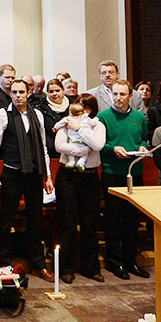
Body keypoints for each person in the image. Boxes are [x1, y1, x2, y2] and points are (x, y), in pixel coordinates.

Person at [0, 79, 55, 282]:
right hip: (12, 174)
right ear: (10, 94)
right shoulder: (3, 114)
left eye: (21, 92)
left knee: (35, 220)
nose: (18, 95)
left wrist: (48, 176)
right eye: (14, 92)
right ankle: (4, 263)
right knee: (6, 221)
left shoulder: (38, 115)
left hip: (34, 174)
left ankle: (38, 264)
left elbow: (43, 147)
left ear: (28, 93)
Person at [97, 79, 150, 280]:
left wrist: (143, 146)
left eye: (122, 94)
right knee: (112, 218)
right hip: (112, 171)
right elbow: (100, 144)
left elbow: (143, 138)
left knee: (131, 218)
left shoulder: (139, 117)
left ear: (130, 96)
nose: (118, 98)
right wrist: (113, 148)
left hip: (134, 172)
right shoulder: (103, 117)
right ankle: (115, 261)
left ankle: (130, 260)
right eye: (115, 94)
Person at [54, 93, 106, 284]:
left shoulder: (97, 125)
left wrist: (80, 130)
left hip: (90, 177)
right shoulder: (66, 122)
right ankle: (67, 268)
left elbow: (98, 145)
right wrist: (84, 150)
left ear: (91, 111)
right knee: (67, 223)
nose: (81, 112)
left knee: (89, 223)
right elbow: (59, 146)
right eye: (79, 107)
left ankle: (90, 267)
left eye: (85, 109)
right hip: (67, 177)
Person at [53, 102, 98, 170]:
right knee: (85, 154)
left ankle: (71, 161)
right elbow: (93, 122)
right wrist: (97, 119)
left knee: (70, 153)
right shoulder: (85, 118)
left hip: (73, 141)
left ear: (70, 112)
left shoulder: (68, 119)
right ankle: (81, 162)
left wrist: (55, 127)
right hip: (83, 141)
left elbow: (60, 123)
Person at [36, 79, 69, 158]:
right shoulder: (41, 108)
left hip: (69, 149)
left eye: (57, 90)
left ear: (63, 90)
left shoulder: (72, 106)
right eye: (51, 91)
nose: (54, 94)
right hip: (51, 151)